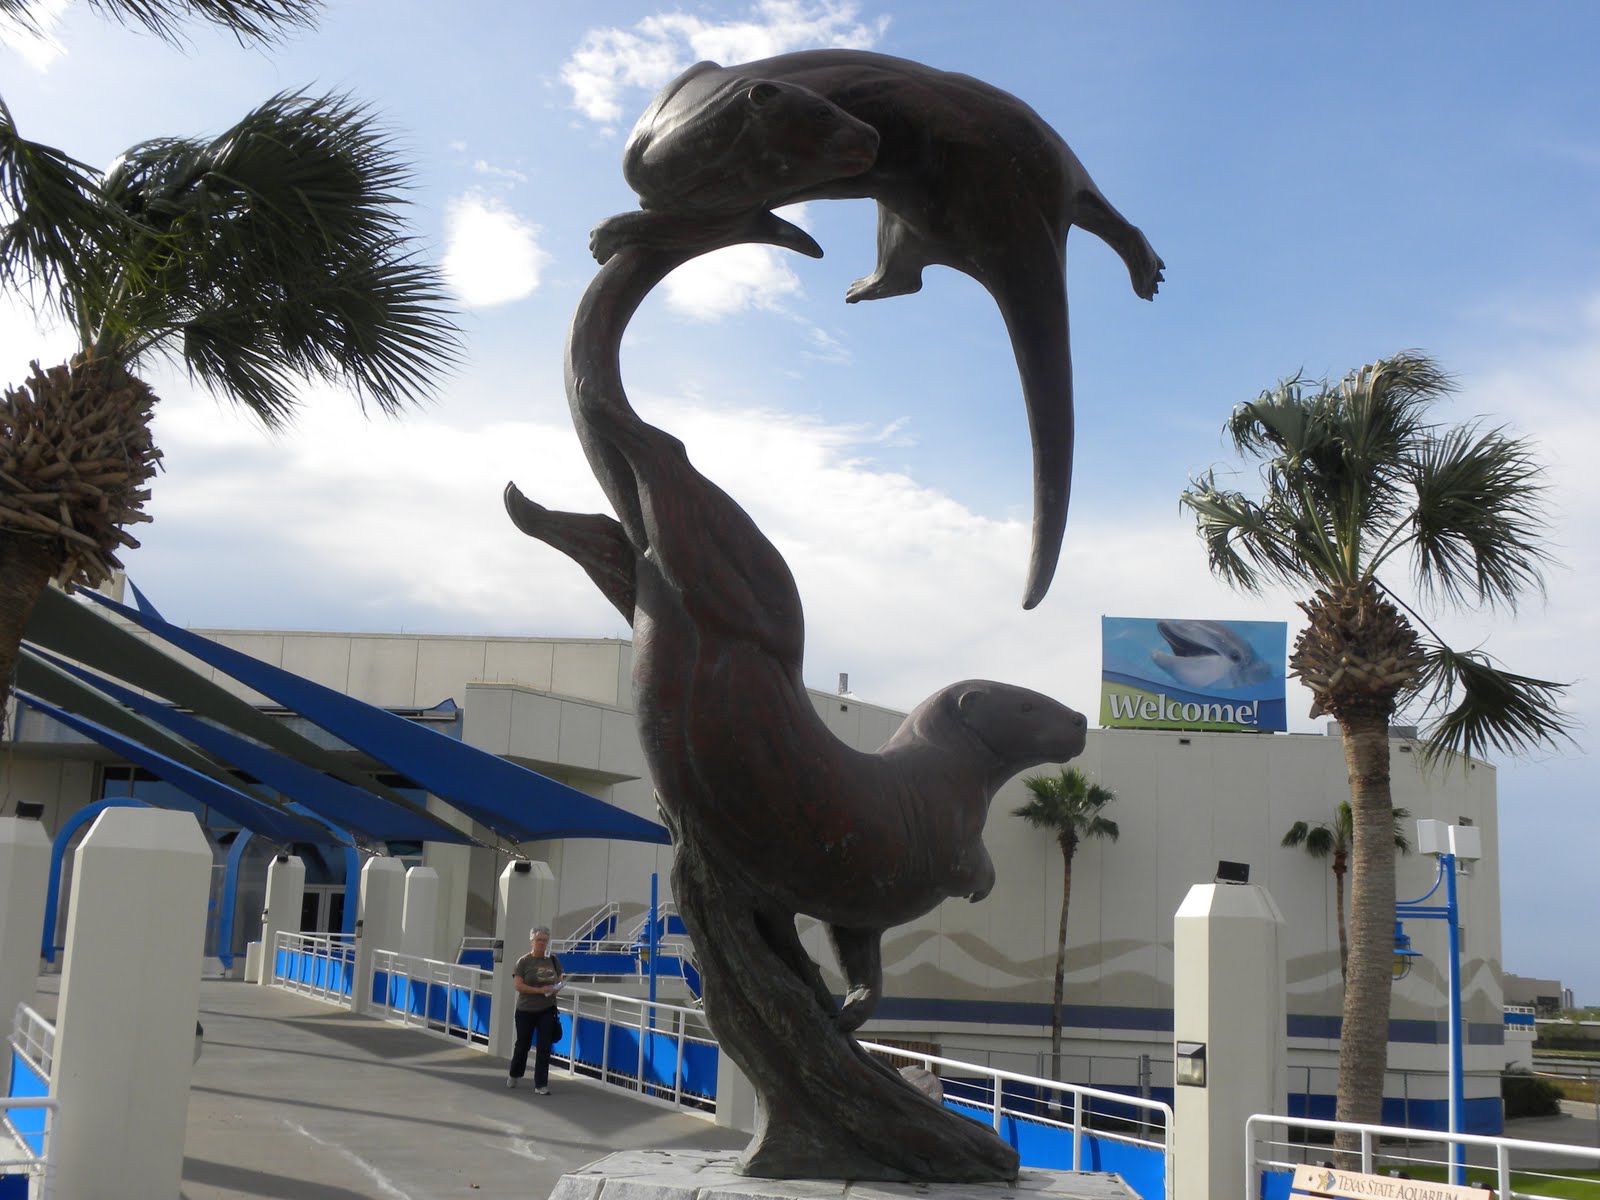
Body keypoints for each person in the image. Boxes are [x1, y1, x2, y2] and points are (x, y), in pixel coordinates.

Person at [507, 926, 563, 1093]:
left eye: (545, 940)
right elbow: (518, 985)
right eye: (539, 940)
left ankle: (541, 1084)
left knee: (544, 1046)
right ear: (532, 941)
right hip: (526, 1009)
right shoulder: (524, 961)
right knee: (522, 1044)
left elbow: (559, 978)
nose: (542, 943)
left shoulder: (553, 960)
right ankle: (515, 1073)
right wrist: (540, 990)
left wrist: (556, 988)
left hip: (546, 1009)